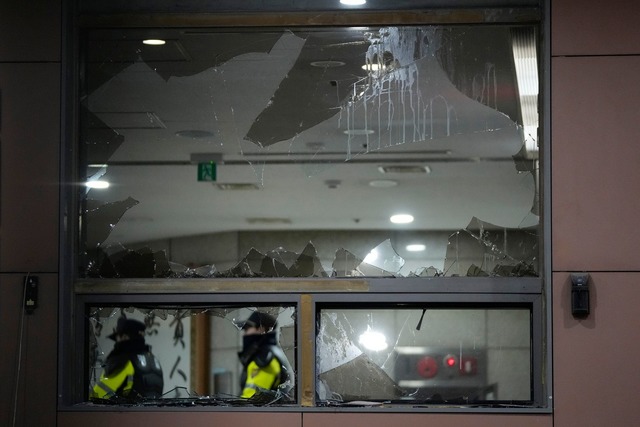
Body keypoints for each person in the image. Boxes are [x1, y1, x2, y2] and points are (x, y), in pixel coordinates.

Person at [91, 317, 164, 400]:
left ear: (124, 337)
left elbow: (100, 394)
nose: (116, 342)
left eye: (118, 337)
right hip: (152, 411)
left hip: (124, 412)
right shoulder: (152, 360)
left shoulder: (123, 359)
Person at [237, 311, 294, 399]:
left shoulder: (264, 357)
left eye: (247, 328)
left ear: (261, 329)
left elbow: (251, 400)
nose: (245, 333)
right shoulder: (272, 352)